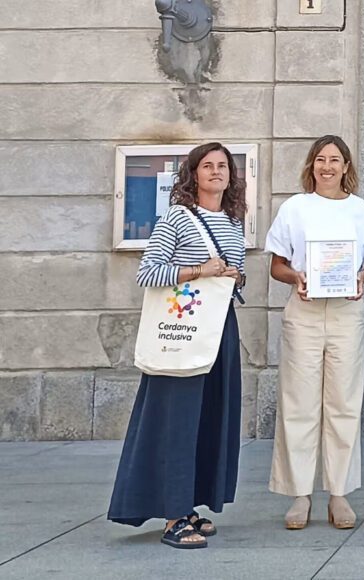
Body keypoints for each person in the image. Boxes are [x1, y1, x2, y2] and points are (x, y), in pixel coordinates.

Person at [108, 142, 247, 549]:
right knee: (178, 420)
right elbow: (148, 272)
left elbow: (237, 279)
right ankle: (172, 516)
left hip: (220, 327)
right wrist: (200, 270)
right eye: (208, 166)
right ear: (194, 174)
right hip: (182, 328)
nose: (216, 172)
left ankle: (188, 506)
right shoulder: (177, 217)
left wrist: (235, 277)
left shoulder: (234, 222)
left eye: (223, 166)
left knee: (209, 418)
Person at [266, 135, 364, 530]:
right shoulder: (294, 208)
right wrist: (296, 277)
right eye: (320, 159)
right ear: (311, 165)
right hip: (305, 310)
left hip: (347, 311)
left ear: (346, 166)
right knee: (298, 401)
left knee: (343, 402)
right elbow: (277, 265)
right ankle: (300, 494)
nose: (327, 167)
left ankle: (339, 493)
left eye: (335, 160)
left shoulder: (361, 210)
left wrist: (361, 278)